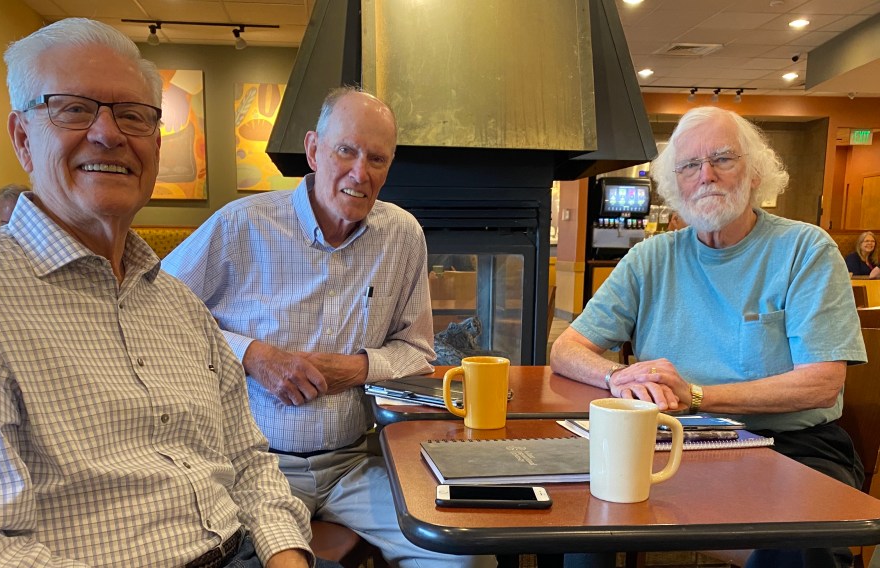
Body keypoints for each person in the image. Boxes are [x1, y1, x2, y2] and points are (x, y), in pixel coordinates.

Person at [0, 18, 333, 568]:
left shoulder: (180, 305)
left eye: (133, 115)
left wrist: (287, 556)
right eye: (73, 108)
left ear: (156, 144)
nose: (108, 134)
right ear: (22, 138)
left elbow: (249, 460)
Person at [163, 87, 494, 568]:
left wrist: (355, 369)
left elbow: (418, 349)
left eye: (377, 159)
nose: (361, 173)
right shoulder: (242, 225)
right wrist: (253, 355)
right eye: (346, 151)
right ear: (314, 150)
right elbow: (159, 313)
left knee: (464, 556)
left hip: (356, 463)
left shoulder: (403, 235)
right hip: (255, 466)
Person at [551, 106, 866, 568]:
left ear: (755, 173)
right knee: (575, 509)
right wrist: (618, 377)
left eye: (722, 159)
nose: (706, 176)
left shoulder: (805, 249)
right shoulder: (650, 258)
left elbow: (822, 384)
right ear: (675, 183)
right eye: (689, 165)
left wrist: (697, 395)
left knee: (801, 539)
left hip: (791, 446)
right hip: (674, 441)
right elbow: (567, 348)